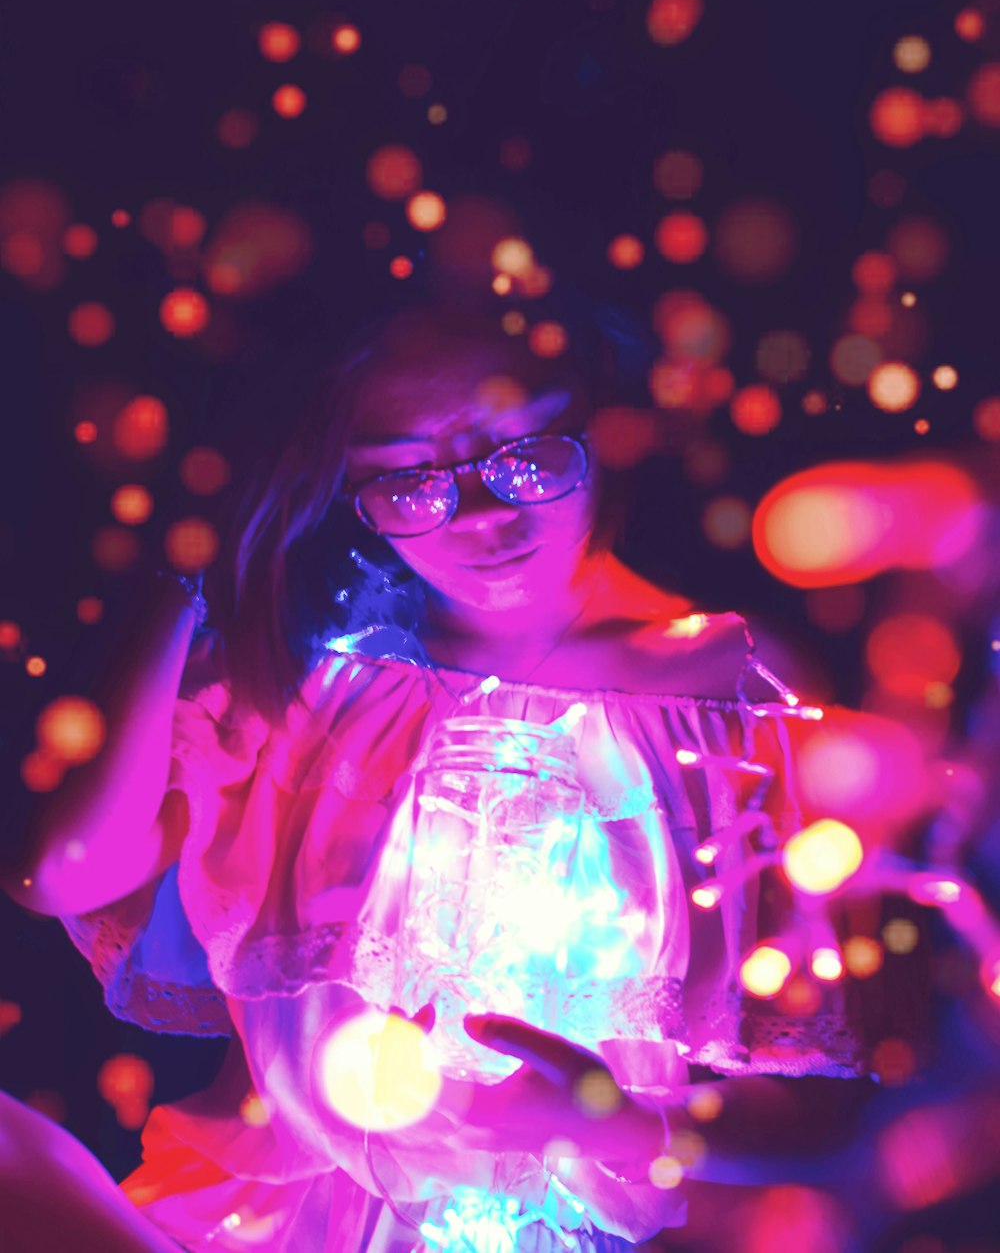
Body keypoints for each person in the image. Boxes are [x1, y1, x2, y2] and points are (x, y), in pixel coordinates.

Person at [1, 292, 880, 1252]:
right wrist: (193, 567)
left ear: (606, 428)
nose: (481, 518)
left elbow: (836, 1113)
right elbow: (62, 872)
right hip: (250, 1227)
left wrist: (617, 1125)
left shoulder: (738, 707)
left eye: (527, 458)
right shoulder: (308, 679)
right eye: (410, 483)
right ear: (346, 489)